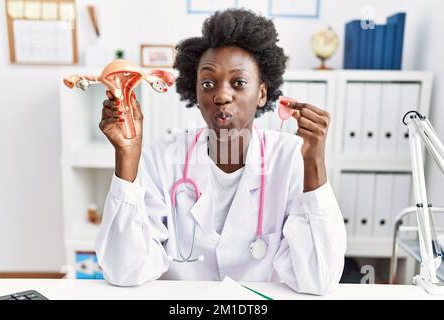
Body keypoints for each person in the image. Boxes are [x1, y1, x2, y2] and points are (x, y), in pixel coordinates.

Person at [95, 8, 346, 295]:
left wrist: (314, 161)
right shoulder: (164, 158)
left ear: (262, 93)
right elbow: (124, 270)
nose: (222, 95)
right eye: (208, 83)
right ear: (196, 92)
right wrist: (126, 157)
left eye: (238, 83)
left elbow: (318, 279)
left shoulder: (291, 157)